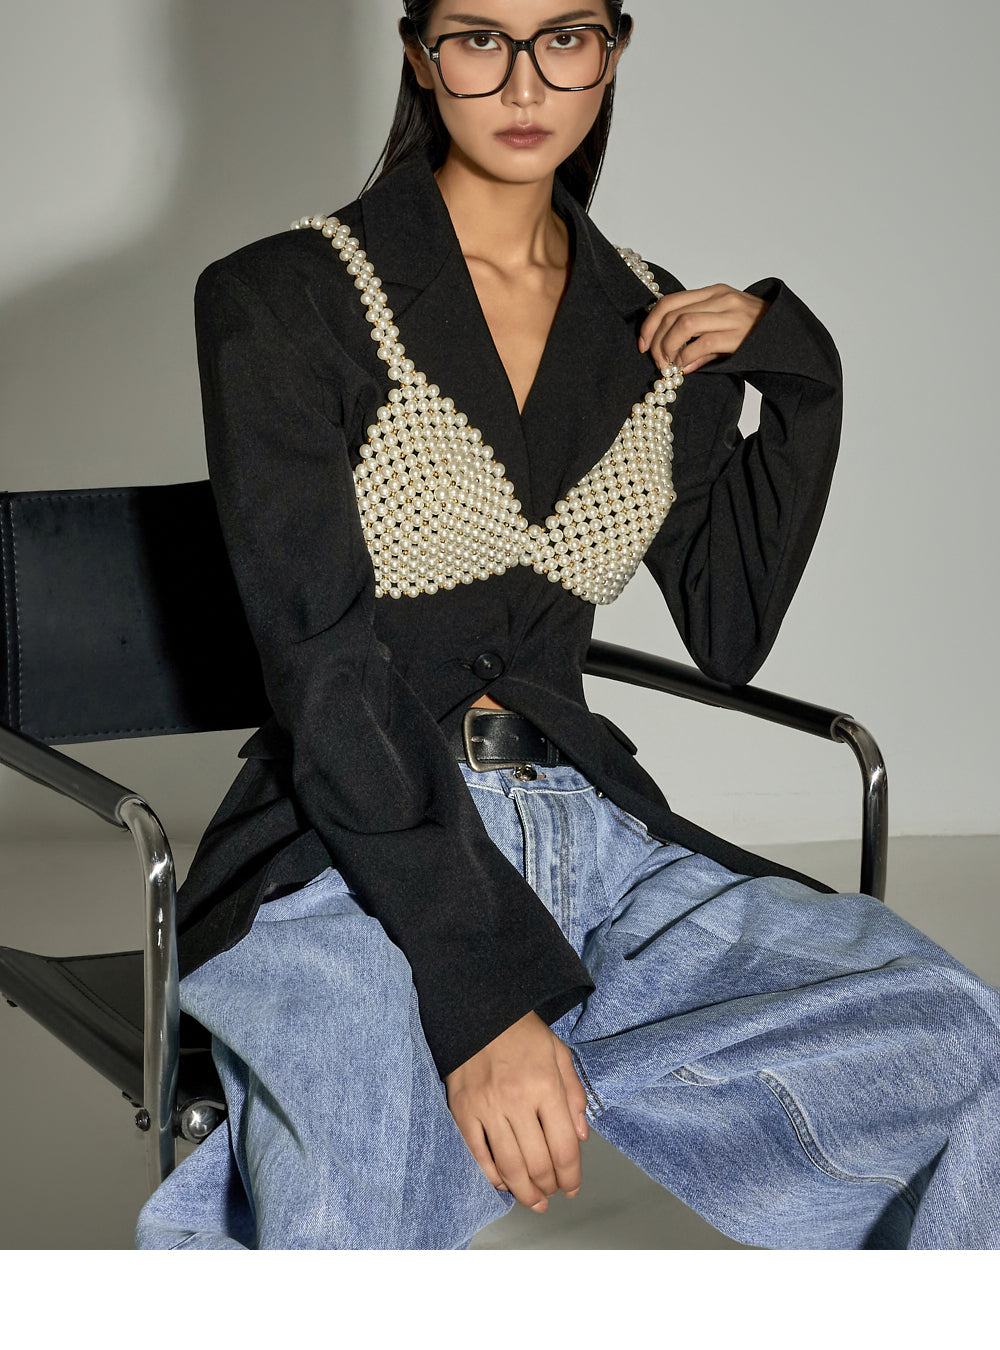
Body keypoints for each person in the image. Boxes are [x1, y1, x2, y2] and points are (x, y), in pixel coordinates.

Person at [135, 0, 1000, 1250]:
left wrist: (799, 376)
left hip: (597, 837)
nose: (525, 81)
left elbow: (728, 627)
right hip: (354, 848)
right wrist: (481, 996)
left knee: (953, 1032)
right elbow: (323, 672)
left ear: (613, 50)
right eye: (480, 38)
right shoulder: (282, 298)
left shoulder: (648, 319)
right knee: (349, 1201)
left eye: (567, 37)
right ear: (420, 54)